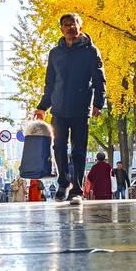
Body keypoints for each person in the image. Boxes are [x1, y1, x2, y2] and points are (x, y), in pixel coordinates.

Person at [35, 13, 106, 206]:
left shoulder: (91, 51)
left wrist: (99, 103)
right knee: (58, 147)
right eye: (65, 25)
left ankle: (77, 190)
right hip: (58, 109)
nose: (69, 28)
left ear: (79, 27)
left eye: (72, 24)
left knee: (79, 150)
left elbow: (99, 79)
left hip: (81, 107)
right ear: (61, 29)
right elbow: (49, 83)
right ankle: (63, 183)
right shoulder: (55, 53)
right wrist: (42, 107)